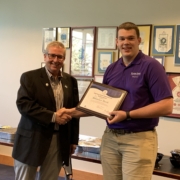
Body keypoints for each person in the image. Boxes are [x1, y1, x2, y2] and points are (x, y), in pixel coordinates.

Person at [61, 22, 173, 180]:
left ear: (139, 40)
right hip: (110, 138)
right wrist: (71, 112)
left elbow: (166, 105)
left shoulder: (151, 66)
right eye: (122, 39)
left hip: (138, 140)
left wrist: (127, 115)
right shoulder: (112, 69)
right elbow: (98, 105)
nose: (126, 42)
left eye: (131, 38)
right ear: (117, 42)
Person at [12, 41, 79, 180]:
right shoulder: (30, 77)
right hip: (32, 138)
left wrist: (73, 140)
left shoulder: (70, 81)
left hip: (58, 140)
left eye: (59, 57)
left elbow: (74, 112)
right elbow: (24, 104)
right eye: (52, 56)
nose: (55, 60)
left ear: (64, 59)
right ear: (45, 56)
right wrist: (53, 116)